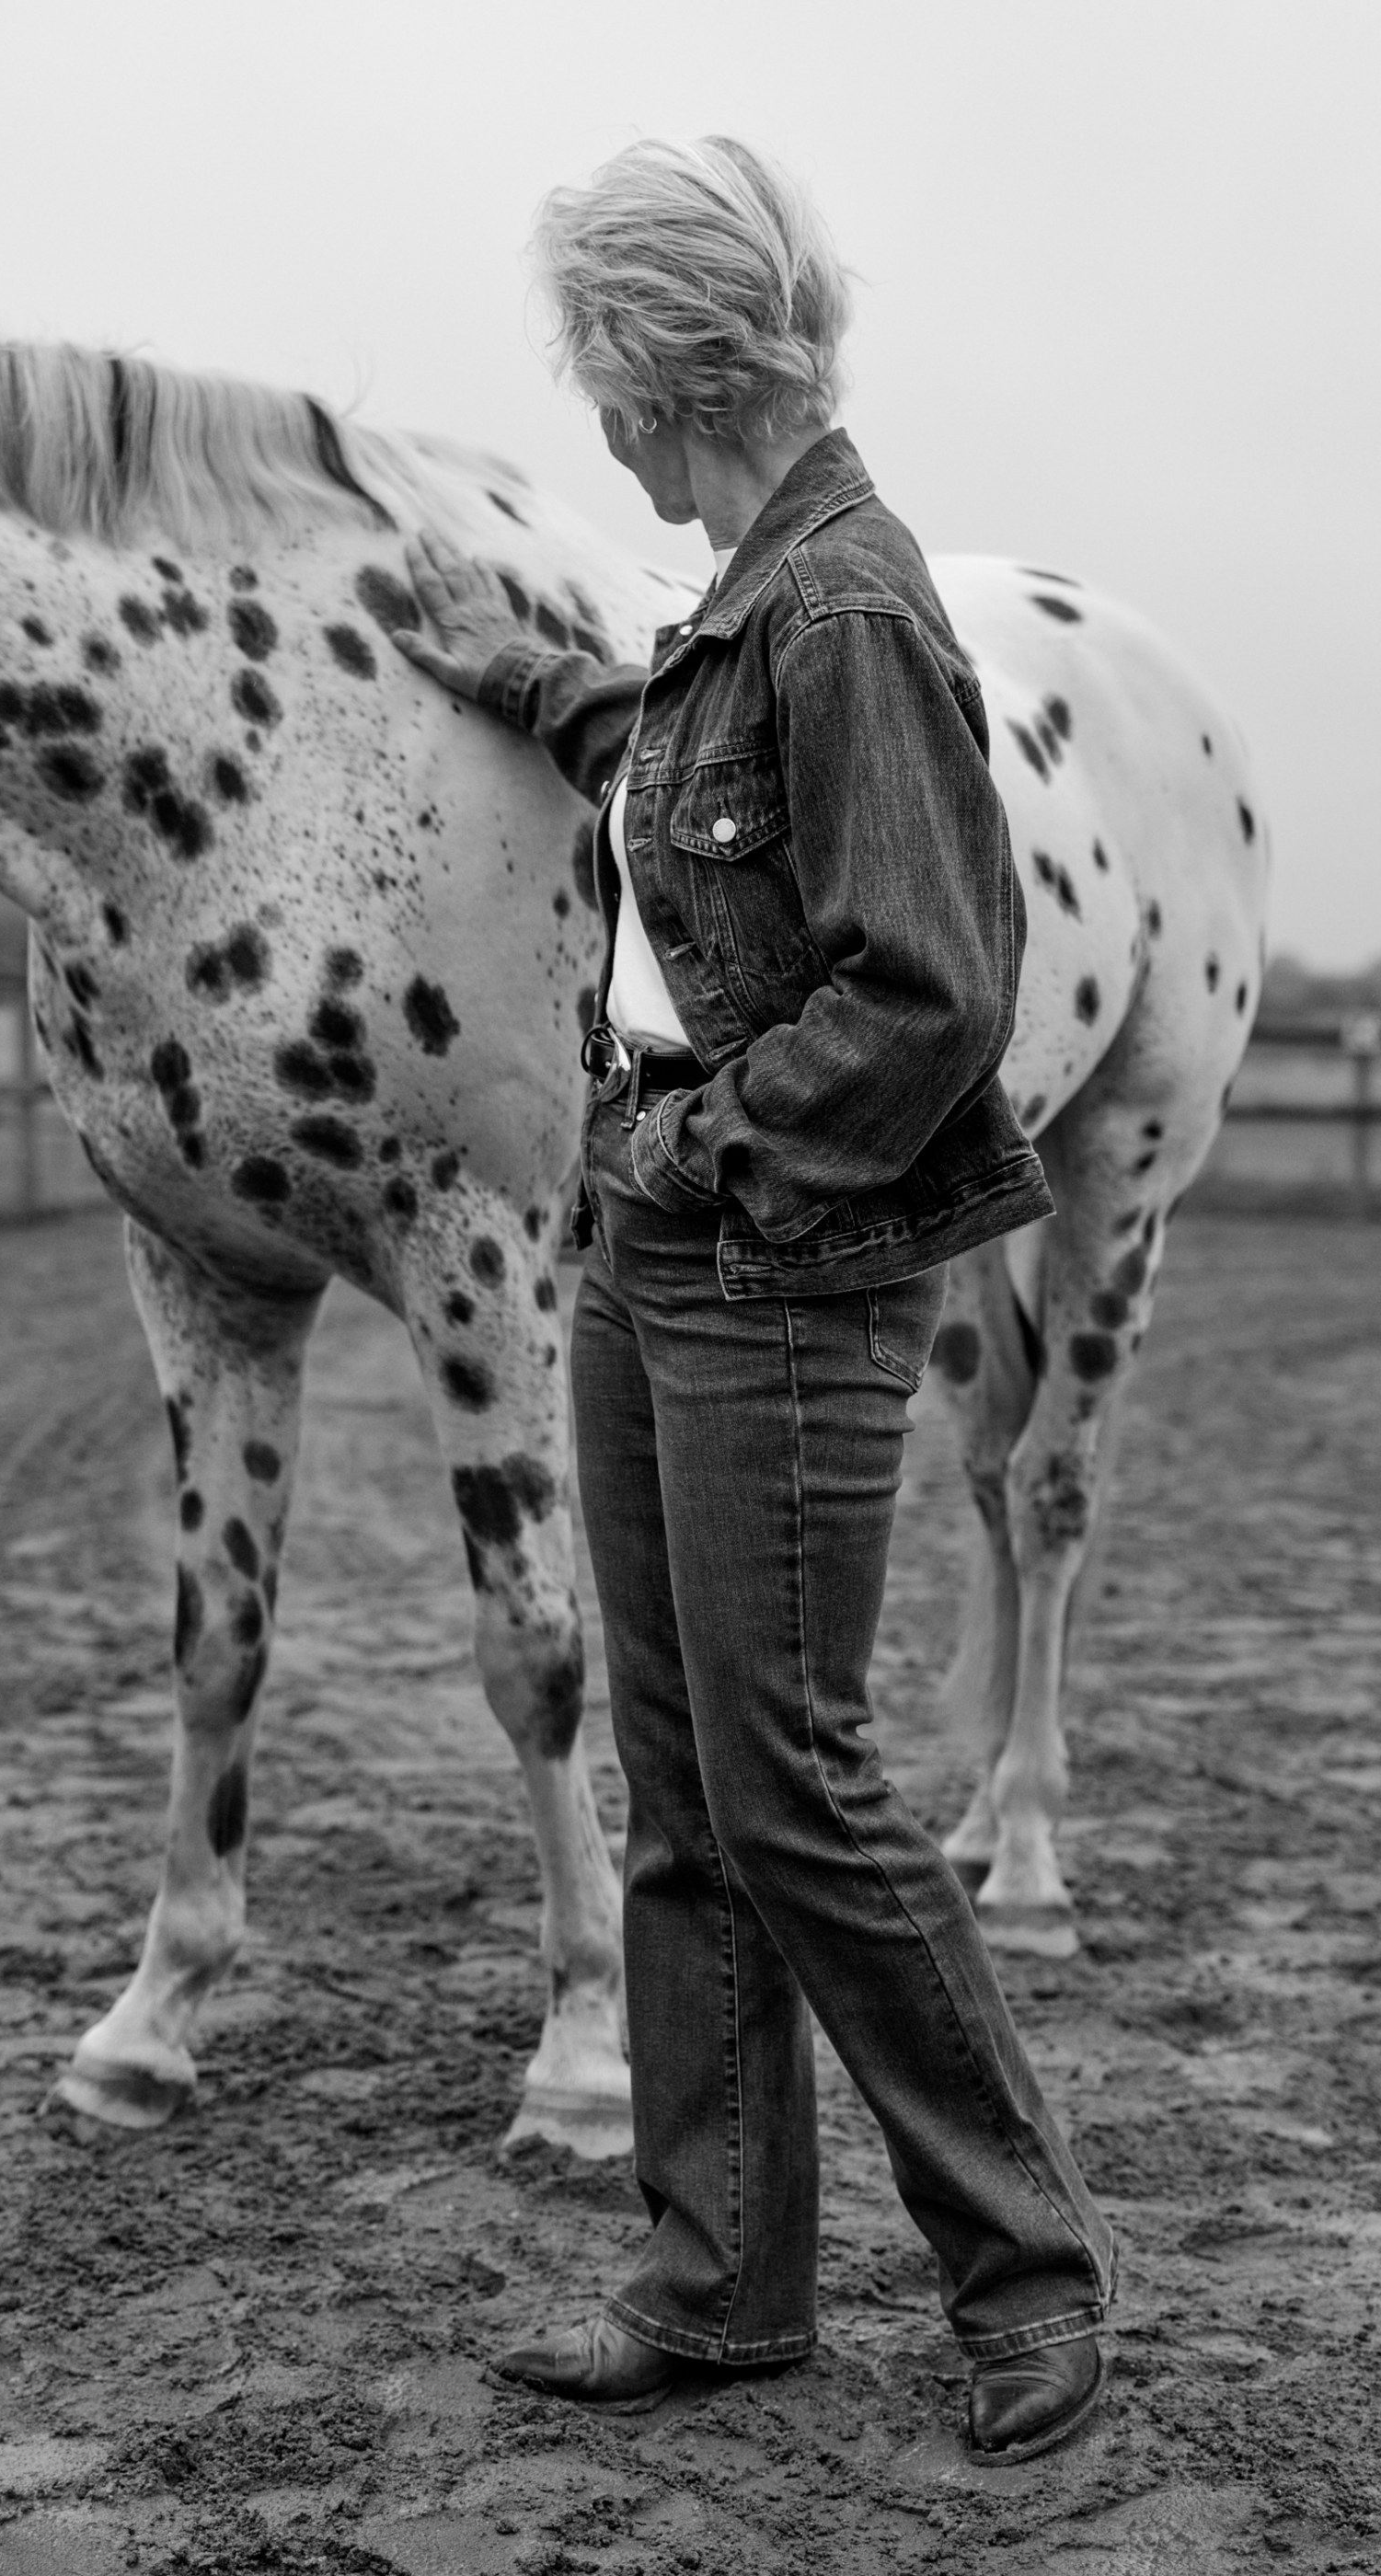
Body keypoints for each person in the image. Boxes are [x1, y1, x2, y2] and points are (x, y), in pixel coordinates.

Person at [393, 135, 1115, 2464]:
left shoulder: (838, 610)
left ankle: (1024, 2265)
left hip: (768, 1257)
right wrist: (524, 674)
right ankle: (718, 2287)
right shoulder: (748, 604)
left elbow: (930, 988)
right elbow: (695, 783)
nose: (588, 420)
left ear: (644, 371)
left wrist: (697, 1142)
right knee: (687, 1778)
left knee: (793, 1788)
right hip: (664, 1249)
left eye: (589, 376)